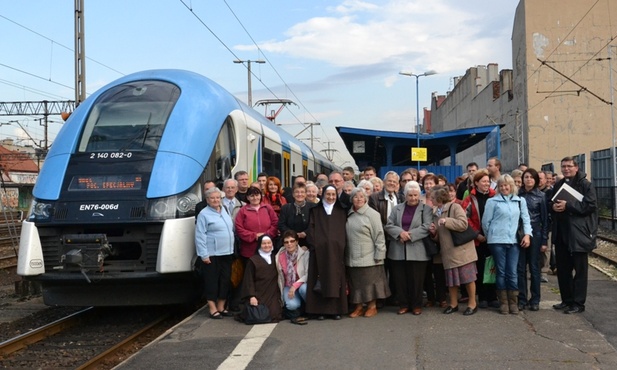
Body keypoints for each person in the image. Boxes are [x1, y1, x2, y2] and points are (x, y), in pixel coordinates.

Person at [549, 157, 598, 314]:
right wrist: (553, 207)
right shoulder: (559, 184)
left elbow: (590, 205)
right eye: (563, 166)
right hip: (562, 233)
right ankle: (566, 300)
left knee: (580, 271)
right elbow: (549, 201)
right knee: (563, 270)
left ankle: (578, 304)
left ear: (576, 168)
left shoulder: (585, 185)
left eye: (569, 166)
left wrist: (568, 205)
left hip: (579, 234)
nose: (566, 169)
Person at [482, 174, 532, 315]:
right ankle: (503, 303)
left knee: (513, 272)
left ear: (512, 186)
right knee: (501, 271)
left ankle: (513, 302)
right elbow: (486, 223)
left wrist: (527, 235)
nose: (504, 188)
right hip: (497, 241)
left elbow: (526, 219)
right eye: (501, 185)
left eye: (507, 185)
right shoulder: (492, 202)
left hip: (514, 241)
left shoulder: (519, 201)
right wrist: (491, 236)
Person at [429, 186, 479, 316]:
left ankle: (472, 304)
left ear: (439, 198)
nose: (431, 200)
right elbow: (439, 238)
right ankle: (453, 304)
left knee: (468, 278)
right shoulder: (435, 213)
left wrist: (447, 221)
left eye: (433, 198)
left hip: (462, 251)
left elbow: (463, 224)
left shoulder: (454, 207)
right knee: (451, 280)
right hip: (448, 252)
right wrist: (434, 234)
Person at [385, 181, 433, 315]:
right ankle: (403, 304)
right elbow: (389, 225)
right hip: (398, 249)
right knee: (400, 280)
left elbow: (427, 226)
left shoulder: (426, 209)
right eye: (410, 195)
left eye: (415, 195)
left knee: (417, 280)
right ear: (405, 195)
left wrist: (409, 236)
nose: (413, 198)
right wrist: (400, 233)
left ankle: (416, 305)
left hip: (418, 249)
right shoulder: (397, 209)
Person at [305, 185, 348, 320]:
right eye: (328, 194)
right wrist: (315, 244)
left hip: (337, 252)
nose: (330, 197)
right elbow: (311, 229)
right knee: (319, 279)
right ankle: (320, 310)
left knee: (336, 280)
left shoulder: (342, 211)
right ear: (323, 195)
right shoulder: (315, 210)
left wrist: (340, 245)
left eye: (333, 195)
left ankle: (336, 310)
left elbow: (344, 230)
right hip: (319, 252)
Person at [345, 188, 390, 318]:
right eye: (355, 197)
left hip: (369, 256)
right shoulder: (349, 213)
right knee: (356, 284)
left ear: (366, 199)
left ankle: (372, 306)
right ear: (351, 199)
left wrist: (379, 255)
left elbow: (379, 236)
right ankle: (358, 307)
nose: (358, 199)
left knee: (370, 283)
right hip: (352, 255)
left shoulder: (372, 214)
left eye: (361, 197)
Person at [195, 187, 235, 319]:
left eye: (218, 197)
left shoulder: (225, 210)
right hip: (212, 254)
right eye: (212, 198)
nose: (216, 200)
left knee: (225, 280)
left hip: (227, 252)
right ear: (207, 200)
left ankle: (221, 307)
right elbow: (200, 235)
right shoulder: (204, 214)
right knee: (212, 281)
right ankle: (212, 308)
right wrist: (204, 254)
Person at [461, 169, 497, 309]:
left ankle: (493, 296)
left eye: (488, 181)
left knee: (493, 267)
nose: (487, 184)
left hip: (493, 238)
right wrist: (476, 234)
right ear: (476, 183)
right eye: (483, 181)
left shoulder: (495, 196)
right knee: (481, 267)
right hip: (477, 239)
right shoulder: (470, 199)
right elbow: (465, 218)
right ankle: (482, 297)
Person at [517, 168, 549, 311]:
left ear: (536, 180)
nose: (528, 179)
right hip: (519, 232)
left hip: (535, 232)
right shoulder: (518, 194)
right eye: (526, 177)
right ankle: (522, 298)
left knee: (535, 268)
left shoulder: (541, 196)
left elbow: (545, 220)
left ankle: (535, 299)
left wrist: (544, 241)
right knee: (520, 268)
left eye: (531, 177)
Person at [239, 235, 282, 323]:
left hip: (272, 293)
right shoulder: (253, 260)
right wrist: (252, 296)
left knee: (274, 314)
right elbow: (248, 280)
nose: (267, 245)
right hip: (258, 293)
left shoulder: (277, 258)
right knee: (258, 315)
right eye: (264, 243)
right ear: (259, 245)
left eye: (269, 243)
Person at [235, 186, 279, 259]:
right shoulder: (242, 211)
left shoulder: (268, 208)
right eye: (252, 196)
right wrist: (255, 236)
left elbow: (275, 223)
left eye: (257, 195)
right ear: (248, 197)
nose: (255, 198)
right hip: (249, 250)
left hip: (267, 247)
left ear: (260, 196)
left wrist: (266, 235)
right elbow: (239, 228)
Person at [276, 230, 310, 325]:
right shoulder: (279, 256)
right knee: (291, 305)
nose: (289, 244)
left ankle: (309, 307)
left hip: (301, 284)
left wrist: (295, 286)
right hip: (288, 285)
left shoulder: (305, 253)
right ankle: (300, 307)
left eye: (292, 241)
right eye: (286, 242)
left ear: (297, 242)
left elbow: (307, 274)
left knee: (304, 289)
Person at [278, 184, 316, 248]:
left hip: (309, 242)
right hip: (290, 242)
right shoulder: (285, 208)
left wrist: (306, 233)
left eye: (302, 192)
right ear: (293, 194)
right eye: (297, 192)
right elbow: (281, 225)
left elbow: (316, 223)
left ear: (306, 194)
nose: (299, 194)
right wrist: (293, 234)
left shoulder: (313, 207)